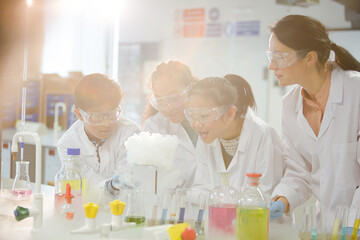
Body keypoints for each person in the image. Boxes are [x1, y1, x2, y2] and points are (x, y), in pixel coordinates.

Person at [267, 15, 360, 225]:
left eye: (280, 57)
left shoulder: (356, 91)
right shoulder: (290, 105)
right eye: (271, 56)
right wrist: (284, 198)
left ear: (309, 58)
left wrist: (353, 222)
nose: (272, 66)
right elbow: (299, 170)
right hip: (326, 225)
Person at [185, 75, 284, 197]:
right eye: (191, 115)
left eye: (204, 116)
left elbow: (265, 195)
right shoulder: (206, 136)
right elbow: (203, 188)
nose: (195, 124)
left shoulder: (263, 136)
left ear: (230, 113)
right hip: (218, 215)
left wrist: (221, 199)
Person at [57, 73, 140, 188]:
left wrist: (115, 187)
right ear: (79, 114)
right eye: (97, 116)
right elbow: (85, 185)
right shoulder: (67, 144)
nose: (106, 123)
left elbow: (126, 184)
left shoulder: (130, 134)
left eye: (112, 114)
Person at [142, 60, 198, 195]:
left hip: (212, 204)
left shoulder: (212, 120)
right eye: (160, 101)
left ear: (190, 89)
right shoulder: (154, 126)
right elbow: (149, 180)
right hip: (172, 207)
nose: (168, 107)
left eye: (174, 97)